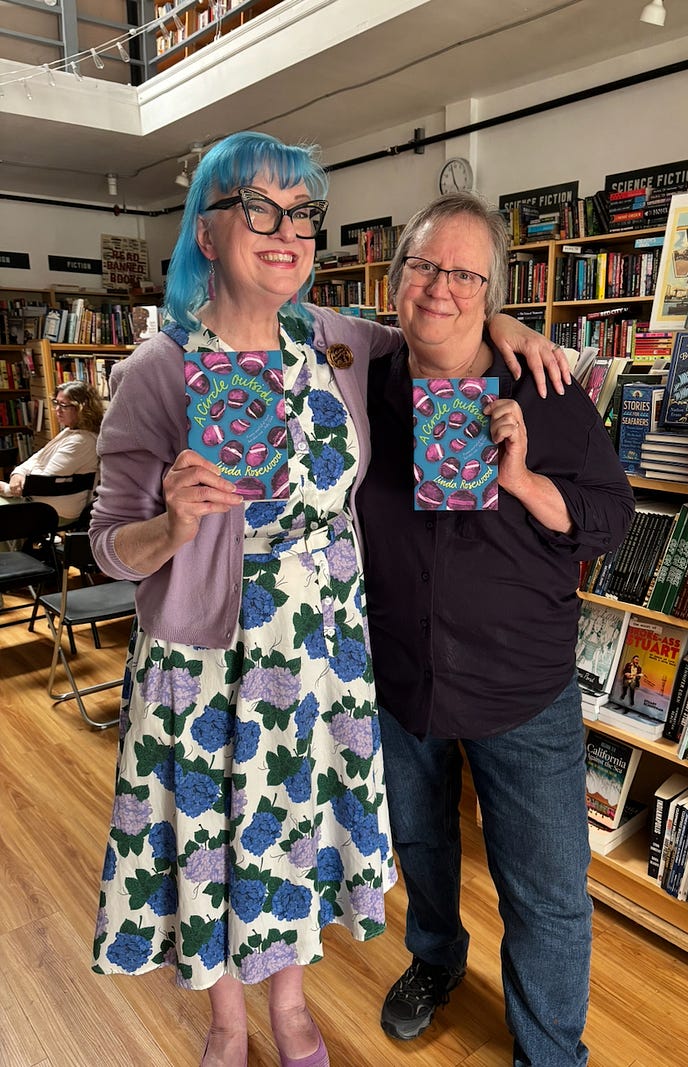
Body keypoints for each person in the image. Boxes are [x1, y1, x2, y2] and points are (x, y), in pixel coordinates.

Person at [88, 132, 569, 1067]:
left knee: (297, 826)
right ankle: (228, 1022)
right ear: (207, 233)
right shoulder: (159, 370)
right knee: (218, 833)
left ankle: (292, 1006)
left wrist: (505, 322)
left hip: (320, 646)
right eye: (259, 210)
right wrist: (174, 526)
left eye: (302, 213)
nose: (287, 231)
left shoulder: (336, 341)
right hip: (209, 651)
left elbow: (437, 322)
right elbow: (109, 543)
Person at [355, 192, 636, 1067]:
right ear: (395, 278)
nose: (441, 287)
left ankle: (550, 1054)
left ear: (492, 292)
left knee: (547, 890)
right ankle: (436, 957)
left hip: (522, 688)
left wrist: (521, 480)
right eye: (425, 266)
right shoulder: (358, 378)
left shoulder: (547, 390)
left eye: (466, 275)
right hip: (403, 675)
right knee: (422, 842)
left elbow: (609, 518)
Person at [0, 379, 102, 525]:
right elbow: (36, 459)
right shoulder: (70, 431)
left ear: (81, 408)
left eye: (64, 405)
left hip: (53, 511)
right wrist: (18, 474)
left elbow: (44, 482)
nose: (57, 410)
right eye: (56, 403)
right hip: (40, 504)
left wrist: (6, 489)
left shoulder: (82, 441)